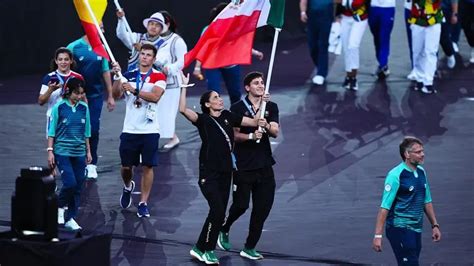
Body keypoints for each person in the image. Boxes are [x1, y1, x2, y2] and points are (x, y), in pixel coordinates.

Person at [179, 72, 266, 265]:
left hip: (227, 173)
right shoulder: (202, 120)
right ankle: (208, 250)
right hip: (209, 174)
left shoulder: (228, 116)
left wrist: (261, 104)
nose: (220, 99)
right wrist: (184, 87)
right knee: (217, 211)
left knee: (218, 212)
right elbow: (183, 109)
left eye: (219, 97)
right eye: (216, 98)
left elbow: (252, 122)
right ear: (208, 104)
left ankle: (198, 248)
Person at [216, 71, 279, 260]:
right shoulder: (236, 108)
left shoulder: (271, 106)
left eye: (262, 83)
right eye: (256, 83)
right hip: (244, 166)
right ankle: (224, 228)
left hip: (265, 165)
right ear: (247, 88)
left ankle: (249, 246)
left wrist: (266, 125)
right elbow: (234, 135)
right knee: (241, 205)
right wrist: (251, 135)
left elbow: (275, 131)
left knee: (263, 208)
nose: (261, 85)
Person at [111, 44, 166, 218]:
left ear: (153, 59)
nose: (144, 57)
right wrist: (116, 77)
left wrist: (135, 90)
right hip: (130, 129)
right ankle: (128, 186)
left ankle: (143, 203)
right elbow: (116, 94)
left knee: (148, 166)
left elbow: (155, 97)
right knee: (126, 167)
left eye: (148, 55)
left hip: (150, 129)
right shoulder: (128, 75)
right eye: (142, 54)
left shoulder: (159, 76)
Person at [372, 136, 441, 265]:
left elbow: (427, 200)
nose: (422, 154)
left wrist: (435, 225)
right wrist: (378, 236)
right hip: (399, 228)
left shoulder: (421, 172)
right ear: (407, 154)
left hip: (416, 229)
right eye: (418, 152)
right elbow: (384, 207)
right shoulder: (395, 175)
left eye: (422, 151)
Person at [193, 2, 264, 105]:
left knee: (235, 92)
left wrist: (255, 52)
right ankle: (213, 116)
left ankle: (236, 115)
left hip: (231, 63)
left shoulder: (236, 29)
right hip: (213, 64)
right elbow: (202, 49)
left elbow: (241, 44)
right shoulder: (208, 30)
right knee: (213, 92)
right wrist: (197, 67)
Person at [67, 30, 115, 179]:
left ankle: (91, 164)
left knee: (93, 129)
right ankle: (74, 162)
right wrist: (75, 93)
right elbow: (65, 69)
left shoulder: (102, 47)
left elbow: (106, 71)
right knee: (75, 129)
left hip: (95, 96)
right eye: (99, 26)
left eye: (102, 27)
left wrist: (111, 95)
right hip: (75, 97)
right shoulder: (74, 46)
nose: (102, 30)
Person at [47, 77, 92, 231]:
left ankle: (70, 218)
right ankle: (59, 207)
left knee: (78, 186)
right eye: (77, 93)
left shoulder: (84, 108)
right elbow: (51, 131)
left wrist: (88, 151)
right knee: (70, 183)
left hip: (79, 152)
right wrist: (50, 151)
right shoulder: (59, 107)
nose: (79, 96)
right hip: (62, 152)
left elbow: (87, 131)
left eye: (82, 93)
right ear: (68, 92)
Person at [155, 10, 188, 149]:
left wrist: (170, 69)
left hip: (171, 82)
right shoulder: (153, 39)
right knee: (155, 111)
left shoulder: (177, 40)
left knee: (167, 111)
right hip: (155, 79)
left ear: (167, 23)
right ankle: (169, 136)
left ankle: (172, 137)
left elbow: (183, 60)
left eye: (159, 23)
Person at [39, 47, 84, 138]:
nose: (63, 62)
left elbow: (83, 99)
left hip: (73, 118)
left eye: (66, 59)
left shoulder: (78, 77)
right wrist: (50, 90)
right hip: (54, 118)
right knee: (54, 147)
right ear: (56, 61)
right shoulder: (49, 78)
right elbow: (41, 101)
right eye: (60, 59)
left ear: (71, 61)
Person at [408, 0, 444, 94]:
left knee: (431, 51)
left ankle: (428, 82)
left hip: (434, 19)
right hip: (417, 19)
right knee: (417, 51)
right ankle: (419, 79)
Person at [300, 0, 335, 85]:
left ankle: (321, 73)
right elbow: (303, 1)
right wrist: (303, 12)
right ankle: (320, 66)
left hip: (326, 16)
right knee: (313, 46)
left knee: (323, 44)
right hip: (312, 18)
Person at [339, 0, 370, 91]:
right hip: (345, 17)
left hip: (359, 17)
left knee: (353, 45)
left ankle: (353, 77)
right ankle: (348, 76)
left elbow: (358, 3)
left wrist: (346, 2)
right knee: (346, 48)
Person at [368, 0, 396, 79]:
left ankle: (383, 64)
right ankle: (381, 63)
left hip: (388, 7)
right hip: (373, 7)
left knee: (384, 37)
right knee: (376, 37)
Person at [440, 0, 459, 69]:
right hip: (426, 12)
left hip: (444, 10)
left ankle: (450, 53)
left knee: (443, 36)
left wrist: (455, 14)